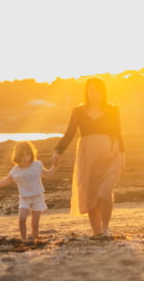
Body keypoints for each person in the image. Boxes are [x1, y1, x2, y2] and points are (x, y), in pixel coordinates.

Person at [51, 76, 126, 238]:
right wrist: (57, 151)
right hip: (88, 157)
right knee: (91, 194)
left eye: (97, 91)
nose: (94, 94)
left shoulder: (113, 109)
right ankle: (96, 232)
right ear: (87, 92)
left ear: (103, 92)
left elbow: (118, 133)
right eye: (91, 91)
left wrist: (122, 154)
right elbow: (69, 133)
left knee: (104, 193)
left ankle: (106, 229)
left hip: (110, 156)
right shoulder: (79, 111)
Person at [0, 141, 56, 242]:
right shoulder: (16, 170)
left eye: (28, 154)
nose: (25, 157)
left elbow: (48, 174)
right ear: (17, 156)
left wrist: (56, 166)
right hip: (24, 198)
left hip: (37, 197)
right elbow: (6, 180)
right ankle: (23, 239)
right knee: (22, 219)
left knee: (35, 224)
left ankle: (34, 241)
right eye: (22, 155)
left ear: (31, 154)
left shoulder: (37, 164)